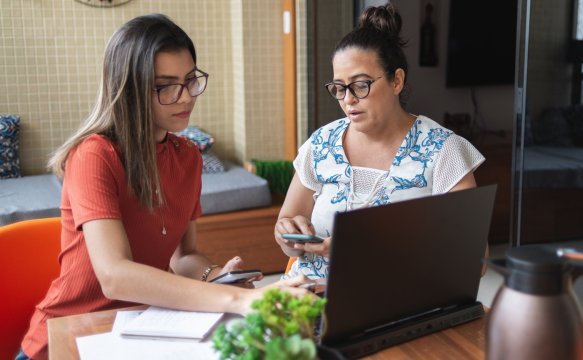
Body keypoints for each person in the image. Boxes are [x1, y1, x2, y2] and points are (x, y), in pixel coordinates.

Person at [17, 14, 310, 360]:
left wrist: (217, 277)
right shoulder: (94, 155)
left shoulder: (188, 157)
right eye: (166, 86)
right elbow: (114, 275)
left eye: (190, 81)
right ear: (130, 89)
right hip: (71, 335)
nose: (185, 97)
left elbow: (183, 255)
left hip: (144, 326)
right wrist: (241, 299)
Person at [274, 4, 486, 280]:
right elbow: (285, 232)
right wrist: (288, 236)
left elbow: (475, 261)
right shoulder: (321, 144)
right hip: (310, 295)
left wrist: (361, 249)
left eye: (361, 85)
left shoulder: (442, 150)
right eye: (339, 88)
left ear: (396, 81)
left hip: (398, 304)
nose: (348, 99)